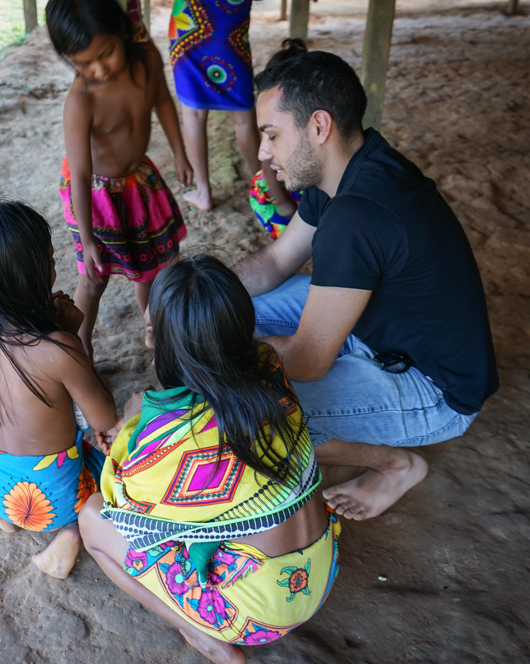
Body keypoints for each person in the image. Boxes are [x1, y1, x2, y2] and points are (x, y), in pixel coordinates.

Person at [238, 51, 499, 521]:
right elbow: (277, 260)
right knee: (228, 308)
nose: (262, 152)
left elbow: (308, 360)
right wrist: (198, 302)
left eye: (271, 135)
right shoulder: (347, 168)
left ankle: (396, 465)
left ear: (319, 126)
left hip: (435, 388)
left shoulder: (358, 214)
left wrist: (212, 351)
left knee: (255, 412)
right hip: (374, 327)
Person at [79, 255, 339, 664]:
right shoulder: (270, 367)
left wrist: (133, 424)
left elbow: (123, 503)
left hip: (261, 614)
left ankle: (205, 636)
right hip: (319, 572)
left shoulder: (179, 435)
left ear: (155, 337)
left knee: (91, 518)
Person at [0, 198, 118, 579]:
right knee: (120, 467)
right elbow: (105, 418)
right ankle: (69, 536)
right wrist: (71, 337)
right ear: (33, 277)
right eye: (49, 258)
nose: (55, 263)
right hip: (50, 500)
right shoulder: (57, 350)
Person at [47, 0, 193, 357]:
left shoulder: (147, 62)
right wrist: (88, 237)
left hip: (138, 184)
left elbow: (162, 102)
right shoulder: (80, 102)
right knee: (92, 279)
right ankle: (81, 347)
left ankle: (154, 328)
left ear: (123, 33)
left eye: (107, 53)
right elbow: (80, 176)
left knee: (151, 269)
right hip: (94, 199)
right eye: (82, 63)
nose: (98, 69)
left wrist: (179, 152)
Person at [168, 0, 281, 213]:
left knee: (193, 114)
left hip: (188, 25)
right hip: (231, 28)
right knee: (242, 116)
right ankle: (265, 186)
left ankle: (203, 192)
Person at [247, 39, 308, 239]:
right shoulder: (271, 117)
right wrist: (282, 203)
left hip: (297, 185)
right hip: (274, 191)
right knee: (287, 235)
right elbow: (268, 166)